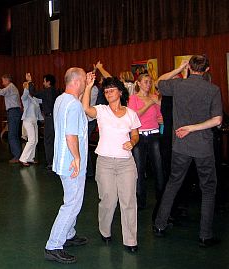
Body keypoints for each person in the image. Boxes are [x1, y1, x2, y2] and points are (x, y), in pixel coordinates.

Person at [153, 56, 223, 248]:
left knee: (173, 183)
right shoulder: (213, 89)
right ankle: (204, 235)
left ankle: (159, 225)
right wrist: (193, 128)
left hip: (181, 145)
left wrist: (178, 69)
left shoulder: (178, 86)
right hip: (203, 147)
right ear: (207, 69)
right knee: (208, 189)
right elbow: (217, 120)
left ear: (189, 67)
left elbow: (159, 82)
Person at [83, 76, 141, 253]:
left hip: (126, 164)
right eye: (106, 91)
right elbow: (85, 108)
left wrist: (132, 142)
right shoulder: (101, 110)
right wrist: (88, 86)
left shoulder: (131, 113)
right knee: (108, 200)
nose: (108, 93)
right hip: (105, 163)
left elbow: (135, 134)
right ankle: (105, 230)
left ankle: (131, 240)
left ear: (120, 92)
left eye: (112, 90)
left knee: (129, 201)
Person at [44, 68, 89, 264]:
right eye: (86, 81)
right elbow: (71, 135)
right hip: (71, 162)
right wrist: (77, 158)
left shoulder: (62, 99)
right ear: (78, 82)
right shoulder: (74, 105)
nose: (87, 84)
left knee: (70, 198)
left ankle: (69, 233)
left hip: (62, 159)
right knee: (72, 203)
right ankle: (53, 245)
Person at [128, 74, 164, 212]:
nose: (148, 84)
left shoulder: (155, 97)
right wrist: (149, 103)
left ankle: (161, 199)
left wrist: (161, 118)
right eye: (145, 82)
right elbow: (134, 116)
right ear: (138, 83)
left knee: (159, 168)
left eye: (150, 82)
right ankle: (140, 201)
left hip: (154, 134)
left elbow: (160, 115)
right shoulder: (134, 98)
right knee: (139, 169)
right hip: (140, 136)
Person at [26, 73, 58, 170]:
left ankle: (50, 163)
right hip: (56, 119)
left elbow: (33, 93)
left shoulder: (46, 91)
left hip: (49, 119)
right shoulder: (56, 91)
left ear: (48, 82)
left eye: (44, 81)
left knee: (48, 141)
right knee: (55, 141)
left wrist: (29, 81)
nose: (43, 83)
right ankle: (56, 161)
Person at [19, 78, 43, 167]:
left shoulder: (35, 98)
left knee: (35, 140)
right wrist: (28, 82)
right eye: (27, 86)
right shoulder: (25, 98)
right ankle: (23, 159)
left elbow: (43, 100)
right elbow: (25, 93)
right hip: (27, 121)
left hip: (34, 121)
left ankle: (30, 158)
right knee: (31, 140)